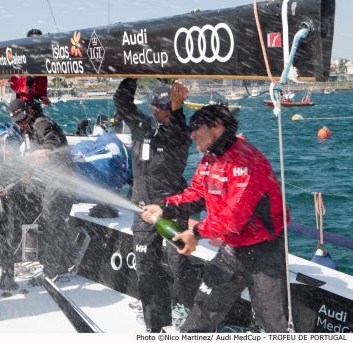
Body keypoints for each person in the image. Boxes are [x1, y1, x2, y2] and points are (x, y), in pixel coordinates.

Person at [141, 105, 289, 332]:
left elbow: (232, 218)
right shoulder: (211, 157)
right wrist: (164, 207)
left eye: (195, 128)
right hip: (234, 248)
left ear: (217, 127)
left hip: (264, 251)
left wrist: (195, 233)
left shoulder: (246, 162)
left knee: (272, 321)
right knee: (203, 307)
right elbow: (198, 193)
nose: (191, 134)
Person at [113, 78, 200, 332]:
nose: (157, 112)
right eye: (156, 107)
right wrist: (132, 75)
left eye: (164, 108)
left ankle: (193, 316)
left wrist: (176, 108)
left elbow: (175, 126)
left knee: (179, 263)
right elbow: (121, 102)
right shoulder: (141, 126)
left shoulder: (179, 132)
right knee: (146, 267)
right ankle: (156, 325)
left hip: (170, 209)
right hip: (142, 210)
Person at [8, 99, 75, 279]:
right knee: (52, 220)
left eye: (22, 119)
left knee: (51, 219)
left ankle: (54, 267)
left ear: (29, 112)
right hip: (49, 179)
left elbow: (51, 143)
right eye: (17, 122)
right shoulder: (28, 129)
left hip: (61, 179)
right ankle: (64, 263)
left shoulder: (41, 123)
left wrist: (39, 154)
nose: (21, 124)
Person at [9, 29, 50, 106]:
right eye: (33, 40)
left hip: (35, 101)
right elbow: (14, 84)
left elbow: (42, 84)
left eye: (39, 40)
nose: (36, 43)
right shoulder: (20, 59)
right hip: (21, 102)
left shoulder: (41, 62)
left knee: (41, 117)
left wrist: (44, 97)